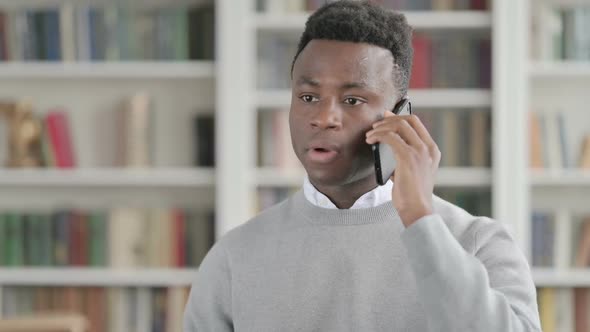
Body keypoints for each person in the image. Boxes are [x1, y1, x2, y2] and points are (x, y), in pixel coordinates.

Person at [183, 1, 542, 331]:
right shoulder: (235, 255)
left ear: (401, 116)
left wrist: (420, 218)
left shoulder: (479, 243)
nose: (324, 118)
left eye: (353, 99)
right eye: (308, 97)